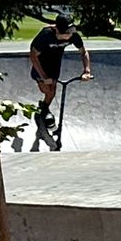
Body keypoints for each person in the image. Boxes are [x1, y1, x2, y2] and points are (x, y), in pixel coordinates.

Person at [28, 12, 92, 148]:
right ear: (57, 29)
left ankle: (43, 108)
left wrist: (86, 70)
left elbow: (84, 52)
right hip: (40, 66)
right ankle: (44, 108)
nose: (68, 37)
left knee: (53, 91)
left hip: (55, 66)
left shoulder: (73, 35)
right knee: (47, 89)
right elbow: (33, 56)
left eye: (69, 33)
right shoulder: (45, 36)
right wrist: (43, 76)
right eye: (65, 34)